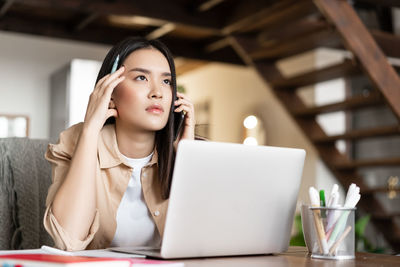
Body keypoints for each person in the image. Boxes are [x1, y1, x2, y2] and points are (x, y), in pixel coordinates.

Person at [43, 37, 196, 251]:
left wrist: (188, 160)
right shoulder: (73, 142)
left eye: (166, 81)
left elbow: (201, 245)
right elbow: (69, 240)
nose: (157, 92)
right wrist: (90, 130)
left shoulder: (187, 148)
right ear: (110, 92)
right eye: (141, 77)